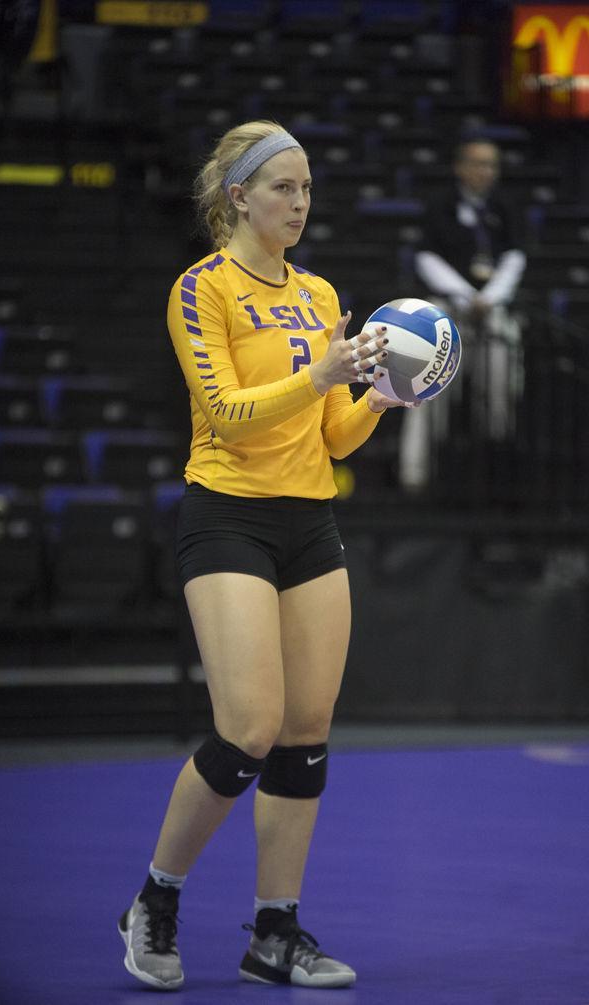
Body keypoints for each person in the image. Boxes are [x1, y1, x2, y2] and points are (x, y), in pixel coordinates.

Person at [118, 120, 412, 991]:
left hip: (309, 522)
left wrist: (386, 392)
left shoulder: (320, 294)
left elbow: (332, 436)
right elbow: (228, 411)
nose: (300, 203)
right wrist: (322, 374)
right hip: (229, 517)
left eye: (308, 189)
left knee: (306, 732)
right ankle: (154, 902)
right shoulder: (200, 287)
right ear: (239, 195)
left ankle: (275, 934)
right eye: (284, 187)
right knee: (248, 725)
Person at [399, 137, 526, 491]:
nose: (485, 171)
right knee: (426, 393)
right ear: (460, 167)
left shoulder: (505, 206)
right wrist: (467, 295)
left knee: (501, 393)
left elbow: (515, 258)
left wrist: (489, 298)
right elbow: (425, 257)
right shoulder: (440, 206)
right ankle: (417, 476)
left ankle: (495, 476)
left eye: (491, 164)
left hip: (493, 310)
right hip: (446, 309)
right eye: (478, 163)